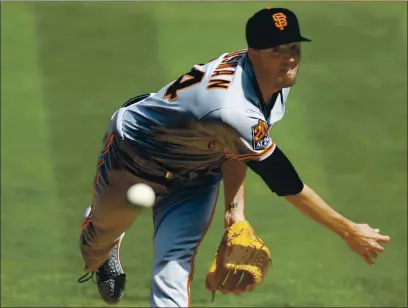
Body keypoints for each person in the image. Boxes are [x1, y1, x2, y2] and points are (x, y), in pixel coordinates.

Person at [77, 6, 391, 307]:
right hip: (132, 157)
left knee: (173, 268)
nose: (289, 59)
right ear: (253, 53)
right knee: (96, 248)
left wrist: (234, 215)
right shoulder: (231, 106)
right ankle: (105, 243)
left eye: (294, 48)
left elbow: (236, 150)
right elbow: (284, 180)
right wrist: (348, 230)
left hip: (196, 176)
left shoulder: (275, 81)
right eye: (277, 51)